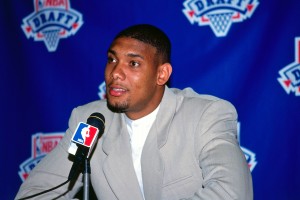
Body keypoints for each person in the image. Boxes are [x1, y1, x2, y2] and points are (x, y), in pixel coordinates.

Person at [15, 24, 253, 200]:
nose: (115, 73)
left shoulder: (205, 116)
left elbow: (231, 193)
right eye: (111, 60)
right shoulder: (90, 121)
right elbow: (35, 193)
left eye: (133, 63)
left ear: (162, 74)